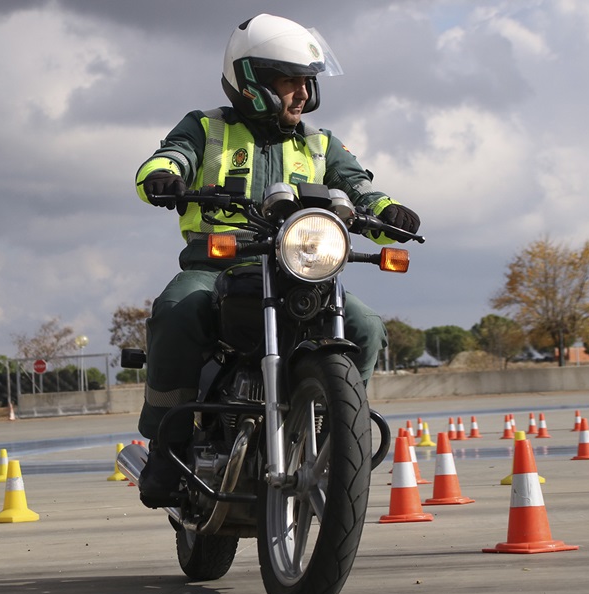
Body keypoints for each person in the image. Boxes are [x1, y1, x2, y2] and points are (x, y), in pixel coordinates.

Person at [133, 14, 421, 508]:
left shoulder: (320, 143)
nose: (303, 93)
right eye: (290, 81)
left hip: (299, 268)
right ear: (252, 82)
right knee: (177, 309)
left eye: (307, 81)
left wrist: (384, 209)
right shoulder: (207, 127)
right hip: (219, 266)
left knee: (367, 326)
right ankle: (166, 443)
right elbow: (169, 157)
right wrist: (164, 176)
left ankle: (337, 435)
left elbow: (359, 186)